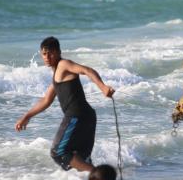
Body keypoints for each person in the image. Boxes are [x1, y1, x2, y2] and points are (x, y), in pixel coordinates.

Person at [15, 36, 115, 172]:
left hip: (77, 116)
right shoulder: (57, 74)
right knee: (80, 159)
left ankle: (97, 174)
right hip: (87, 116)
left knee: (58, 152)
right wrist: (27, 116)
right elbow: (46, 100)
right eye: (44, 54)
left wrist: (102, 87)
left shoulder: (64, 65)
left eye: (50, 53)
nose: (47, 57)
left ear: (58, 52)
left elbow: (87, 70)